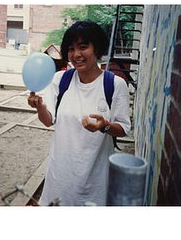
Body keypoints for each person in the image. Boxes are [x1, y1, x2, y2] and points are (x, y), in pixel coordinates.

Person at [27, 20, 131, 206]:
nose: (76, 54)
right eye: (71, 49)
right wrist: (40, 106)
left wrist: (104, 126)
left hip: (95, 182)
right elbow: (48, 121)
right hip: (59, 178)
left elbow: (123, 129)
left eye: (83, 47)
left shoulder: (115, 85)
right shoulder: (60, 80)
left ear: (97, 48)